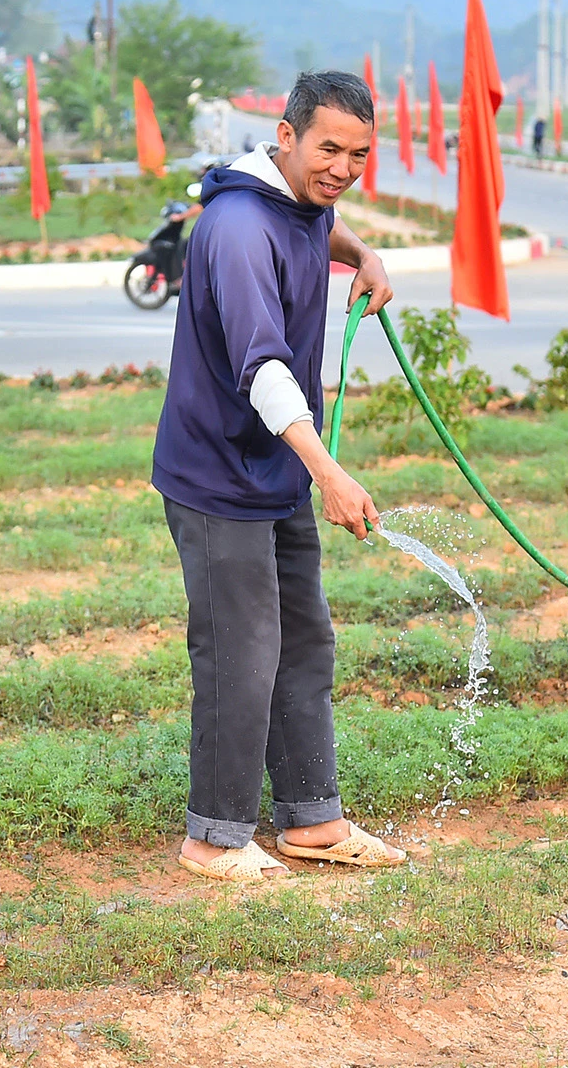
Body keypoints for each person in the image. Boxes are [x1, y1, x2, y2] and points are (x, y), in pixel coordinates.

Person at [152, 71, 407, 883]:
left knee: (305, 639)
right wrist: (328, 470)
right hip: (220, 470)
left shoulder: (301, 199)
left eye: (359, 153)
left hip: (273, 467)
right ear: (287, 136)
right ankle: (214, 839)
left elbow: (317, 223)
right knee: (242, 649)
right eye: (328, 147)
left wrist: (362, 250)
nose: (341, 167)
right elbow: (261, 366)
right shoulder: (234, 226)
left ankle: (313, 823)